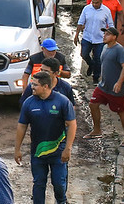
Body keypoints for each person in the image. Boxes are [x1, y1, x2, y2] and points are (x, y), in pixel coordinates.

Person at [15, 72, 77, 204]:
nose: (32, 87)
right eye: (32, 84)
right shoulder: (29, 103)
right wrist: (17, 149)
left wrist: (68, 148)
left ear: (45, 86)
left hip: (58, 151)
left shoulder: (62, 101)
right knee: (39, 183)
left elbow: (72, 124)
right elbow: (22, 126)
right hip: (38, 152)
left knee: (59, 183)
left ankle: (61, 201)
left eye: (35, 85)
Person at [85, 27, 124, 146]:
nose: (104, 36)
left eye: (107, 34)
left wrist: (119, 82)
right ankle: (97, 130)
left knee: (121, 111)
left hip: (116, 88)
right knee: (93, 104)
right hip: (103, 86)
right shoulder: (105, 47)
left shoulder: (119, 50)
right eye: (104, 34)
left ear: (114, 37)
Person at [75, 0, 114, 83]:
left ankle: (96, 77)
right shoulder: (86, 9)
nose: (94, 4)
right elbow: (80, 22)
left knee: (98, 59)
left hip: (100, 39)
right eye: (93, 2)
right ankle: (91, 64)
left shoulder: (106, 11)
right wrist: (76, 35)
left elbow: (110, 25)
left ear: (101, 2)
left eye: (96, 3)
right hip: (87, 37)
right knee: (84, 54)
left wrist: (110, 37)